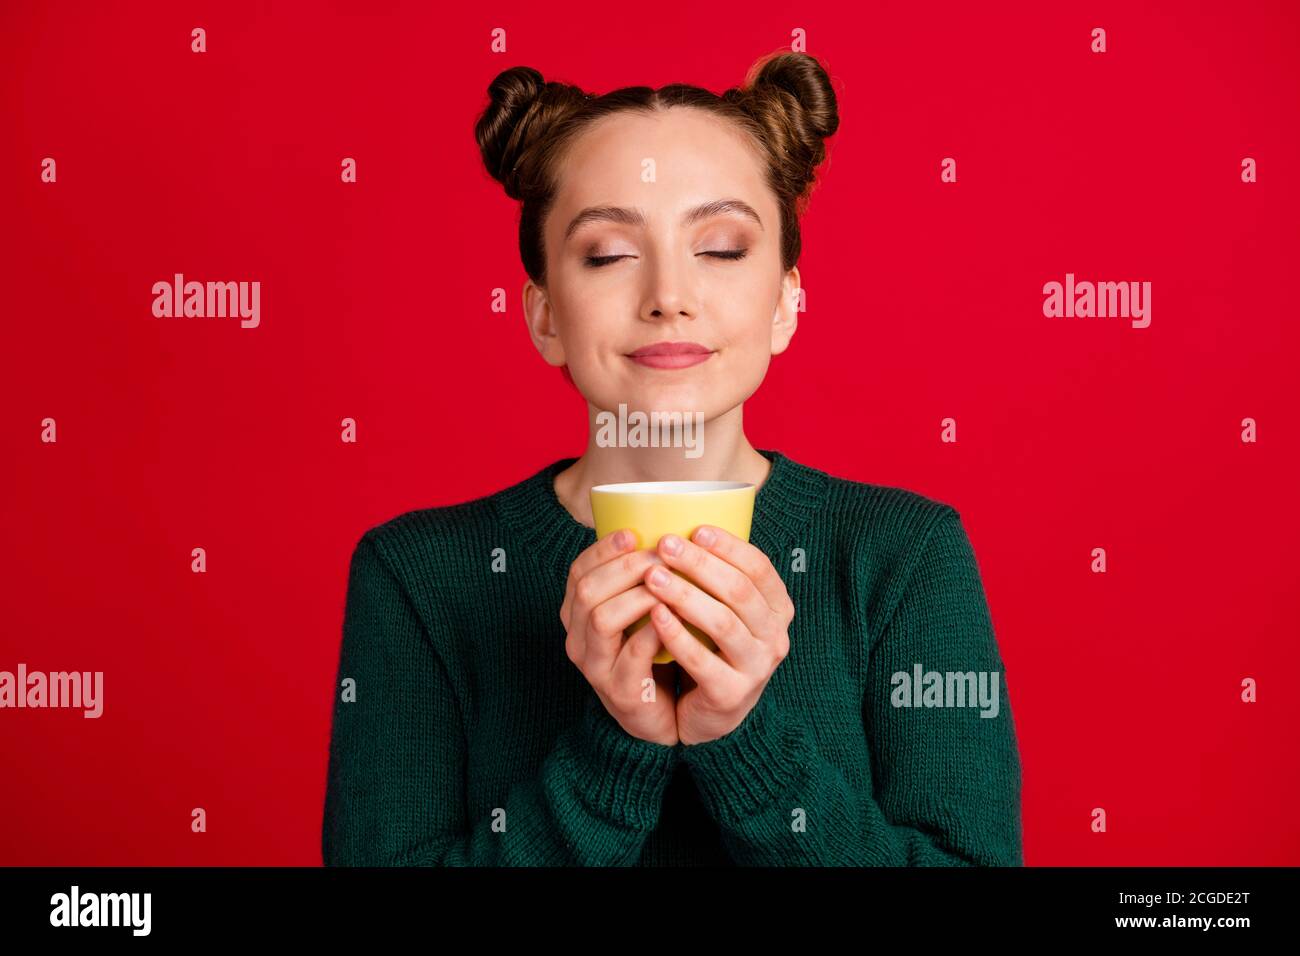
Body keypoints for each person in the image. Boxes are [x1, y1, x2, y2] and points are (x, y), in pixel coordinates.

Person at [321, 50, 1023, 866]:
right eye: (609, 253)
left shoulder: (904, 556)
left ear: (787, 303)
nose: (668, 295)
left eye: (721, 249)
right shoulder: (417, 575)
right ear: (545, 315)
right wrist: (614, 748)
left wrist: (743, 741)